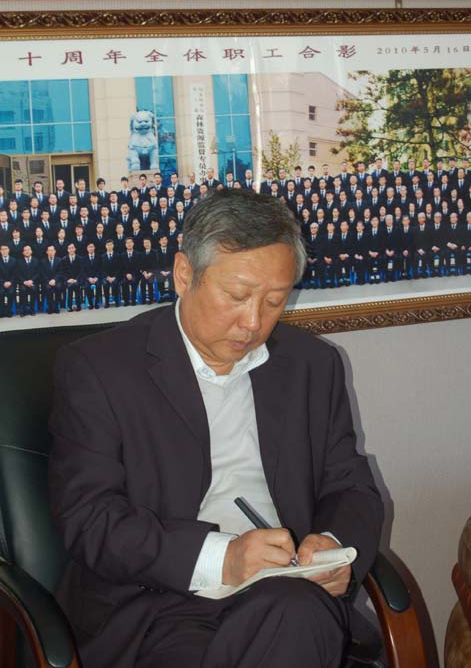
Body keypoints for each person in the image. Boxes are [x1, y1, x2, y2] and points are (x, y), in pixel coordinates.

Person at [49, 190, 383, 668]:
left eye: (274, 301)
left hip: (286, 594)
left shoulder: (312, 365)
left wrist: (332, 546)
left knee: (293, 610)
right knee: (290, 621)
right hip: (156, 603)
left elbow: (350, 487)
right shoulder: (99, 369)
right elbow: (91, 519)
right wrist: (223, 558)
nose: (253, 322)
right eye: (237, 296)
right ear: (184, 274)